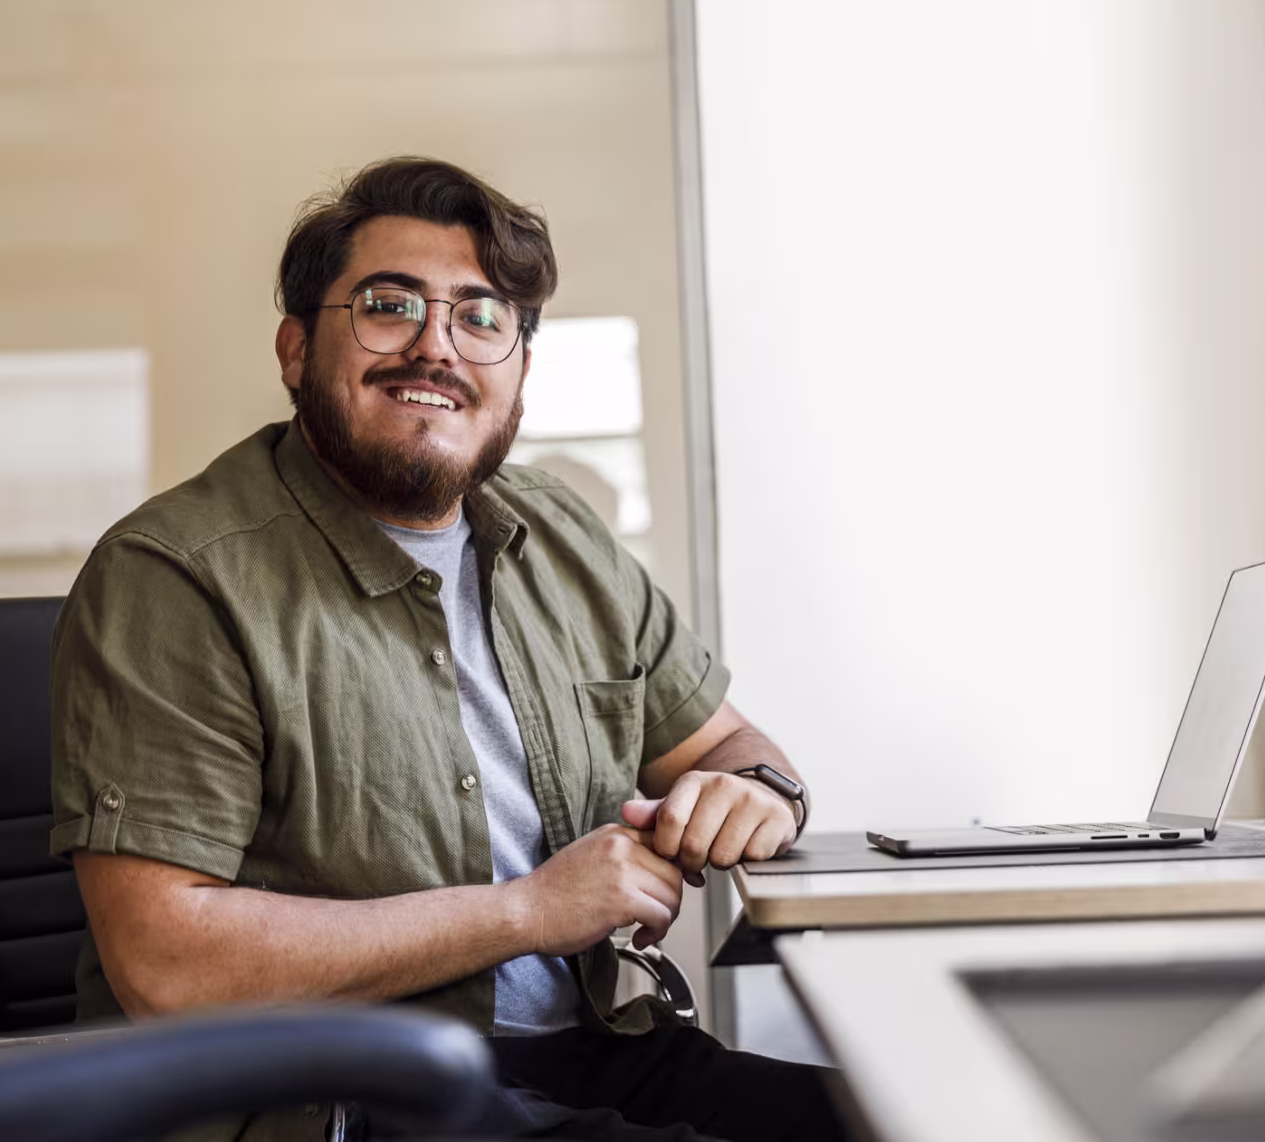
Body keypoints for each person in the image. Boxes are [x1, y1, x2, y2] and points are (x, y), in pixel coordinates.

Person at [49, 157, 846, 1142]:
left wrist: (758, 790)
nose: (437, 347)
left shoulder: (560, 534)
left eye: (480, 317)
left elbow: (731, 746)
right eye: (388, 306)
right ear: (296, 348)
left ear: (516, 369)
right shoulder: (177, 575)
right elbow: (168, 962)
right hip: (331, 1092)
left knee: (906, 1112)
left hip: (596, 1047)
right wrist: (527, 910)